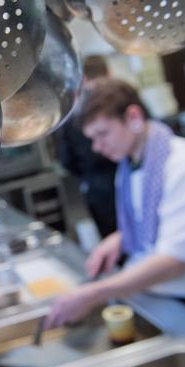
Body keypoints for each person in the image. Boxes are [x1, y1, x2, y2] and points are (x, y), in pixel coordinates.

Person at [43, 78, 185, 330]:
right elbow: (154, 220)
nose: (97, 147)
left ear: (133, 116)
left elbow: (172, 261)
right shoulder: (130, 164)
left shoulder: (184, 163)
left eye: (102, 134)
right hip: (155, 295)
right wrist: (121, 238)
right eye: (92, 138)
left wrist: (92, 294)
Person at [56, 56, 118, 238]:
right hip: (120, 179)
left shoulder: (72, 111)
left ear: (82, 79)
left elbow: (66, 160)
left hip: (96, 188)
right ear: (108, 72)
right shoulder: (120, 97)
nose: (98, 146)